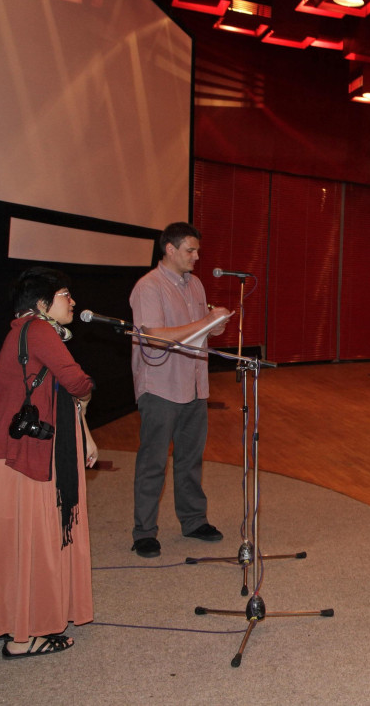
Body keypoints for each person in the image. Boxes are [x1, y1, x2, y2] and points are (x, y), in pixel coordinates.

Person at [0, 267, 96, 657]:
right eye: (65, 295)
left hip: (13, 452)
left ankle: (21, 624)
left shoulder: (24, 331)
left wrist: (86, 434)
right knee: (32, 542)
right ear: (43, 303)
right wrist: (87, 393)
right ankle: (23, 638)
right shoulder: (40, 331)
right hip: (24, 456)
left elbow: (60, 392)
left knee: (19, 543)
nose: (73, 302)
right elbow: (77, 382)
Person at [129, 222, 232, 559]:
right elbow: (155, 337)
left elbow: (196, 331)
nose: (197, 256)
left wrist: (213, 327)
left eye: (197, 250)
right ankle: (144, 532)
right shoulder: (148, 287)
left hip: (194, 384)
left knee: (190, 459)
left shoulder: (195, 284)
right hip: (161, 385)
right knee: (153, 462)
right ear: (169, 249)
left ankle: (193, 520)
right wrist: (205, 322)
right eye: (190, 250)